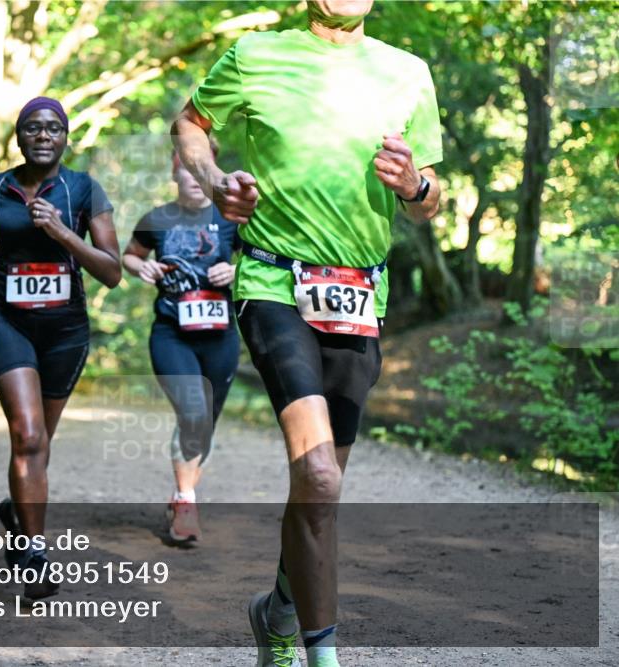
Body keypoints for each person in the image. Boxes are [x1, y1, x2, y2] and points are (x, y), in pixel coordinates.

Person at [172, 1, 442, 665]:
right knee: (319, 474)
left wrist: (416, 184)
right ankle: (321, 656)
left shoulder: (407, 73)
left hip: (358, 294)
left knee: (316, 488)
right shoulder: (256, 55)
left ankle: (278, 612)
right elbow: (190, 123)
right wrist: (215, 181)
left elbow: (431, 204)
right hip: (273, 285)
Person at [0, 97, 120, 599]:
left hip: (65, 330)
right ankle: (34, 556)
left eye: (53, 128)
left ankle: (16, 511)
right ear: (19, 136)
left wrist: (62, 232)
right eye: (33, 128)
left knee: (39, 443)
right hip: (5, 320)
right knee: (28, 436)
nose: (43, 135)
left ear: (66, 136)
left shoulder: (83, 189)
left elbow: (111, 271)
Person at [121, 141, 240, 544]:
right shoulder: (157, 219)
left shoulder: (232, 219)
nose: (192, 179)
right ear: (175, 175)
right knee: (193, 410)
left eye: (199, 170)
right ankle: (186, 500)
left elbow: (259, 263)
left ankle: (182, 495)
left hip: (221, 337)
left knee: (204, 422)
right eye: (185, 171)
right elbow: (130, 255)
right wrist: (144, 266)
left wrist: (235, 271)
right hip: (172, 333)